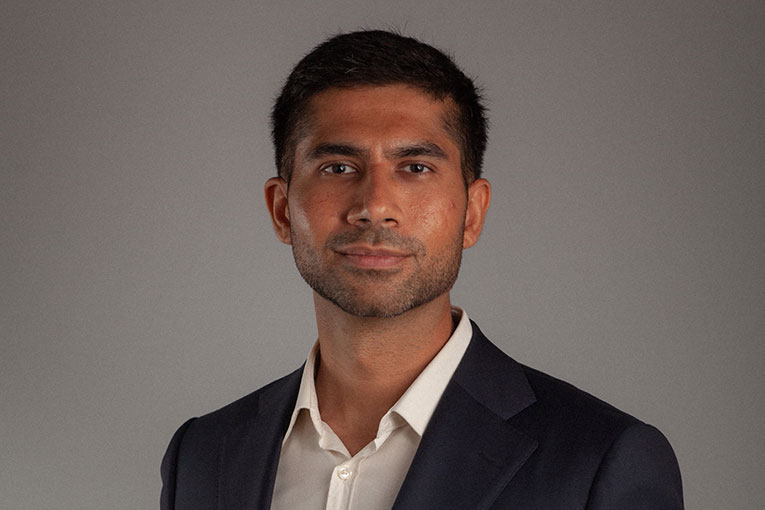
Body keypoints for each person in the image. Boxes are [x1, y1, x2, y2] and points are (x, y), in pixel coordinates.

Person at [160, 30, 683, 510]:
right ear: (281, 210)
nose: (375, 206)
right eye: (338, 167)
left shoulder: (599, 461)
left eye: (415, 168)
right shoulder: (202, 456)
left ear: (472, 213)